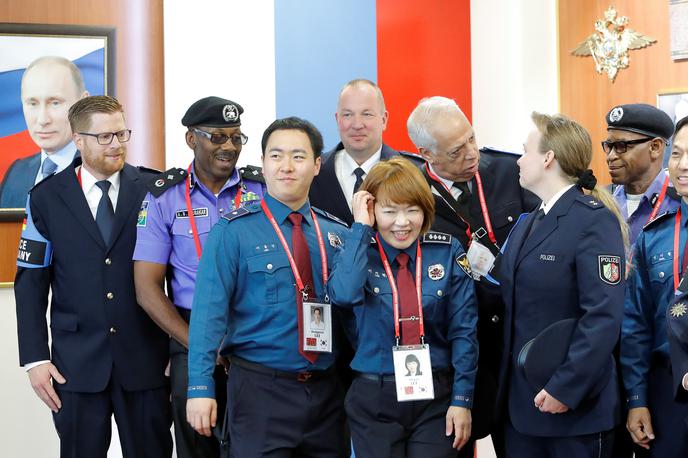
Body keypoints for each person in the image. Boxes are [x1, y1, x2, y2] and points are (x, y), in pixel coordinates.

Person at [14, 95, 172, 458]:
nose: (116, 145)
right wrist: (35, 360)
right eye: (104, 137)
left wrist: (178, 349)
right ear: (78, 138)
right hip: (76, 366)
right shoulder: (45, 198)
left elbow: (179, 276)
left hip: (147, 361)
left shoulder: (155, 191)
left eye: (121, 133)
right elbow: (31, 283)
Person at [186, 117, 349, 457]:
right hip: (260, 392)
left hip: (326, 394)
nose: (286, 166)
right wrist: (200, 387)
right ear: (263, 163)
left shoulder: (338, 234)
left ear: (317, 165)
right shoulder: (232, 232)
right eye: (276, 156)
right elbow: (207, 315)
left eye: (298, 156)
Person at [406, 95, 539, 456]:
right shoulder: (412, 197)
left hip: (517, 341)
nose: (470, 154)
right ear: (426, 153)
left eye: (471, 138)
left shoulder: (511, 172)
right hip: (462, 348)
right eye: (455, 151)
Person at [133, 96, 265, 458]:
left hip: (254, 330)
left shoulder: (262, 190)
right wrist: (200, 343)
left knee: (257, 443)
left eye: (236, 137)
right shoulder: (165, 198)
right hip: (190, 332)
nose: (229, 147)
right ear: (192, 139)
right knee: (196, 445)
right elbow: (147, 289)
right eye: (218, 137)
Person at [327, 157, 478, 457]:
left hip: (436, 395)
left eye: (412, 210)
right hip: (375, 397)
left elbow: (464, 331)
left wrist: (462, 399)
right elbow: (342, 295)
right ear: (372, 210)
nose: (402, 222)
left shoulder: (446, 251)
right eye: (389, 211)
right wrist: (360, 227)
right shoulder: (356, 250)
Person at [496, 112, 627, 457]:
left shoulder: (593, 221)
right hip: (521, 409)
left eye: (525, 151)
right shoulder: (528, 222)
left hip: (574, 410)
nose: (519, 161)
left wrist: (565, 387)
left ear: (548, 158)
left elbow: (602, 317)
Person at [622, 115, 688, 456]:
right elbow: (635, 324)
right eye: (676, 154)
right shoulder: (654, 235)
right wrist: (636, 398)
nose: (683, 165)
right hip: (668, 391)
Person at [309, 78, 420, 226]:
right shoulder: (313, 172)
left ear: (384, 119)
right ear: (337, 119)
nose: (357, 125)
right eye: (348, 115)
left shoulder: (414, 172)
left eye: (367, 114)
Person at [0, 56, 88, 207]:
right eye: (32, 103)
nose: (42, 119)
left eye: (55, 103)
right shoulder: (15, 174)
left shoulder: (104, 173)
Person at [605, 103, 678, 246]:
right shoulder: (602, 201)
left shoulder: (679, 204)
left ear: (655, 147)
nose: (610, 156)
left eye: (621, 146)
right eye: (609, 146)